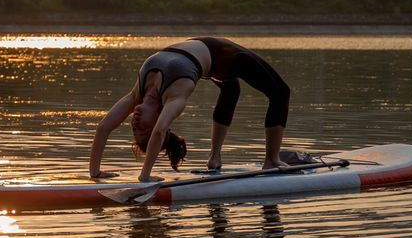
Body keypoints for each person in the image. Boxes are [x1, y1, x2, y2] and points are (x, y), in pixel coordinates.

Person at [89, 37, 290, 182]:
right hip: (228, 57)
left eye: (135, 129)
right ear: (158, 117)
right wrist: (146, 176)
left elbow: (103, 127)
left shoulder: (137, 94)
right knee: (279, 92)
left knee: (238, 89)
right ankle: (236, 158)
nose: (134, 123)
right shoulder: (175, 96)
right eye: (142, 129)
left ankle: (267, 159)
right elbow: (159, 131)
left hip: (212, 50)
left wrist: (95, 172)